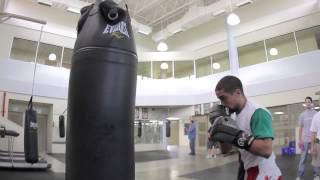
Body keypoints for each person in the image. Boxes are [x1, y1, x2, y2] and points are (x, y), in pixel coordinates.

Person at [210, 75, 281, 180]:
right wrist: (221, 131)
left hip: (265, 173)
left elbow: (266, 150)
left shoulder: (257, 112)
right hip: (249, 170)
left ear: (238, 93)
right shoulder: (234, 116)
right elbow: (226, 150)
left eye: (223, 98)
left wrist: (238, 136)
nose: (222, 103)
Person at [296, 97, 319, 180]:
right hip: (305, 140)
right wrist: (300, 139)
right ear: (305, 104)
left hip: (315, 139)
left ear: (311, 103)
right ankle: (300, 175)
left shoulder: (316, 114)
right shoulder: (302, 115)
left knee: (315, 157)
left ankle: (316, 175)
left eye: (309, 102)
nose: (308, 103)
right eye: (306, 102)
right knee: (303, 158)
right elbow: (301, 128)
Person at [310, 96, 320, 180]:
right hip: (319, 143)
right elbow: (313, 133)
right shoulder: (316, 116)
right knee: (318, 165)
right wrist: (312, 147)